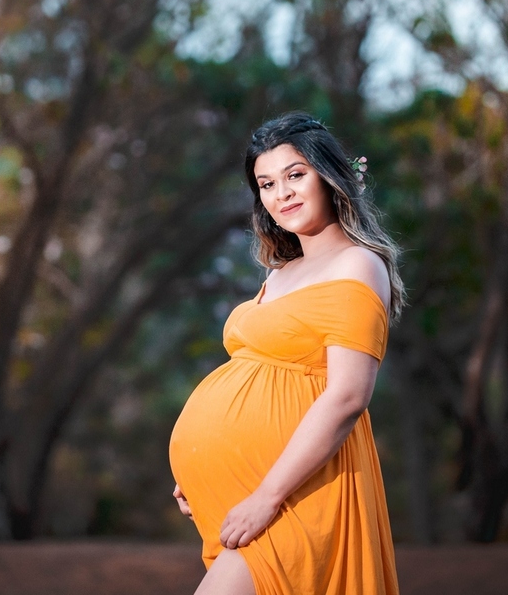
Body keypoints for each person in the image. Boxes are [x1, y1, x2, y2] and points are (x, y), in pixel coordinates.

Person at [169, 112, 406, 595]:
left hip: (296, 496)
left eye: (296, 174)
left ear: (330, 176)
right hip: (246, 491)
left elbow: (347, 396)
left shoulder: (357, 264)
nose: (284, 193)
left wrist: (266, 497)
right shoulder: (281, 272)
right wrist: (200, 465)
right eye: (267, 183)